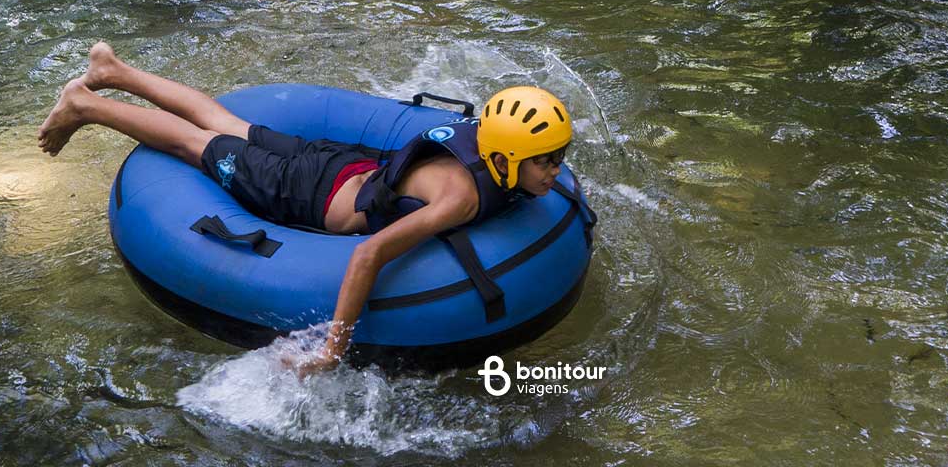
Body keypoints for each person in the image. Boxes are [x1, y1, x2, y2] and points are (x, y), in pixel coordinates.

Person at [37, 43, 572, 374]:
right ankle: (88, 104)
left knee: (227, 124)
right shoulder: (461, 197)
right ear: (505, 156)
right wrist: (331, 351)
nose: (554, 171)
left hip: (344, 166)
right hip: (307, 193)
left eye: (558, 160)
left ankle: (114, 69)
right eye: (545, 161)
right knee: (196, 145)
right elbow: (369, 256)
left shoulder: (487, 143)